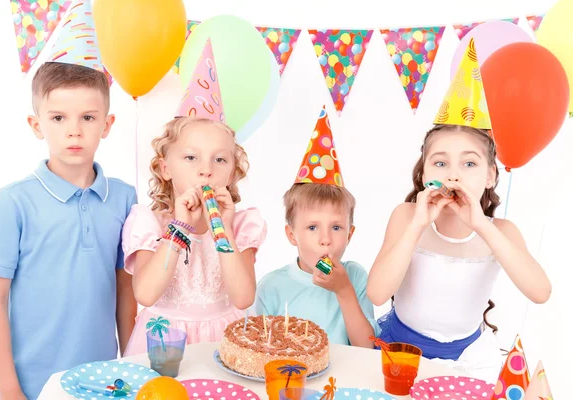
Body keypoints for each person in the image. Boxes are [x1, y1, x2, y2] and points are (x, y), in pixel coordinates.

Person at [0, 5, 137, 398]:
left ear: (107, 124)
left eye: (88, 117)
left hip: (102, 382)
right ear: (37, 124)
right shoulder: (15, 201)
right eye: (59, 118)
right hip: (28, 385)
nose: (74, 131)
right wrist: (8, 385)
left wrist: (133, 367)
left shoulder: (124, 197)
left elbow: (125, 291)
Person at [367, 40, 551, 380]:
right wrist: (417, 225)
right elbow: (377, 292)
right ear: (424, 174)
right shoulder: (406, 216)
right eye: (440, 162)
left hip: (468, 358)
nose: (453, 174)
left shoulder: (501, 231)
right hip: (399, 350)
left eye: (469, 163)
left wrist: (482, 226)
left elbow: (540, 292)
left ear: (490, 175)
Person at [121, 40, 266, 355]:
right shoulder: (149, 222)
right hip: (162, 345)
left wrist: (223, 230)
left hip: (224, 343)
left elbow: (243, 298)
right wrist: (179, 227)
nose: (206, 171)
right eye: (191, 158)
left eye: (220, 160)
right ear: (165, 167)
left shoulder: (241, 225)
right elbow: (145, 293)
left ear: (232, 171)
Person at [256, 107, 380, 347]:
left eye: (336, 227)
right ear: (292, 235)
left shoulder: (355, 277)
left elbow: (366, 348)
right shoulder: (271, 287)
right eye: (312, 227)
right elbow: (260, 349)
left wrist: (344, 291)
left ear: (350, 233)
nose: (325, 239)